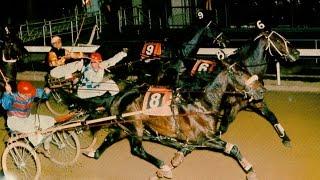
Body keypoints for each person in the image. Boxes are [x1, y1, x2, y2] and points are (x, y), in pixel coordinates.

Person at [0, 81, 55, 156]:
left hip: (28, 117)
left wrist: (46, 92)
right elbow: (5, 105)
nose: (31, 95)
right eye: (28, 94)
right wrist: (6, 93)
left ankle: (46, 144)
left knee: (50, 120)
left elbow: (41, 93)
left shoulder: (31, 92)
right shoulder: (13, 97)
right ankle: (38, 144)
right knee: (32, 129)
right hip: (15, 121)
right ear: (21, 94)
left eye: (31, 93)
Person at [50, 48, 128, 99]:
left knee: (111, 83)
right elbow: (96, 80)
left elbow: (112, 61)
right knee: (109, 84)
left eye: (98, 62)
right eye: (93, 62)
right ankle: (116, 100)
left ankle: (117, 98)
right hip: (84, 91)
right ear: (91, 62)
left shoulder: (100, 64)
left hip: (94, 88)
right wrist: (101, 69)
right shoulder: (87, 69)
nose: (96, 64)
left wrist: (123, 53)